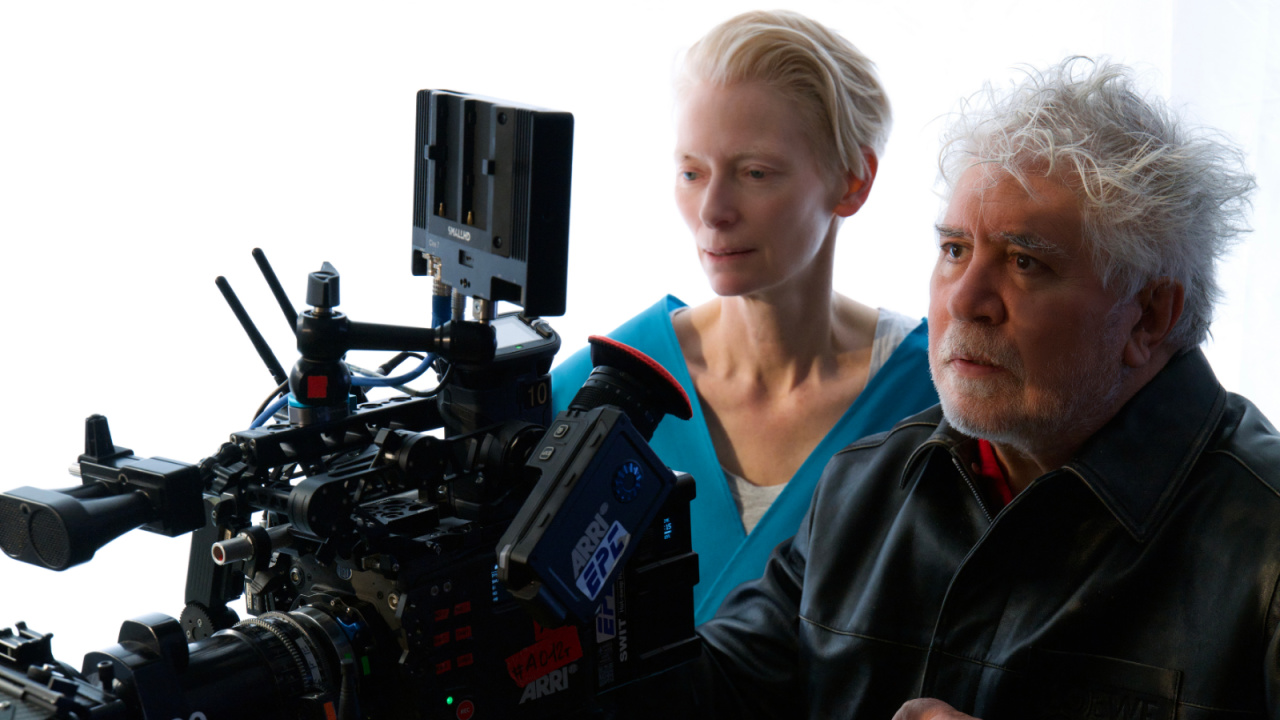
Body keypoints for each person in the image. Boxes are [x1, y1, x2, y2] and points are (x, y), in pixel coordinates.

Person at [630, 57, 1271, 719]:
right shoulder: (866, 486)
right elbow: (705, 695)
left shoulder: (1264, 543)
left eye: (1026, 262)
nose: (965, 301)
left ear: (1150, 316)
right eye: (956, 250)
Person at [550, 10, 938, 626]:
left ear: (853, 181)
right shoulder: (591, 395)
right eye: (691, 172)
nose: (713, 211)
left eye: (755, 173)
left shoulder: (937, 398)